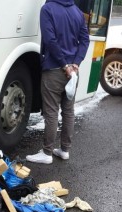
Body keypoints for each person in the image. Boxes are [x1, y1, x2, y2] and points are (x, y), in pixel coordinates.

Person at [26, 0, 89, 164]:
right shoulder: (77, 11)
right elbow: (85, 40)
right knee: (68, 111)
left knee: (51, 111)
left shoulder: (47, 9)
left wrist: (64, 64)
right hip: (73, 72)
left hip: (55, 69)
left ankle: (47, 152)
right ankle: (64, 150)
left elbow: (50, 40)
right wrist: (76, 63)